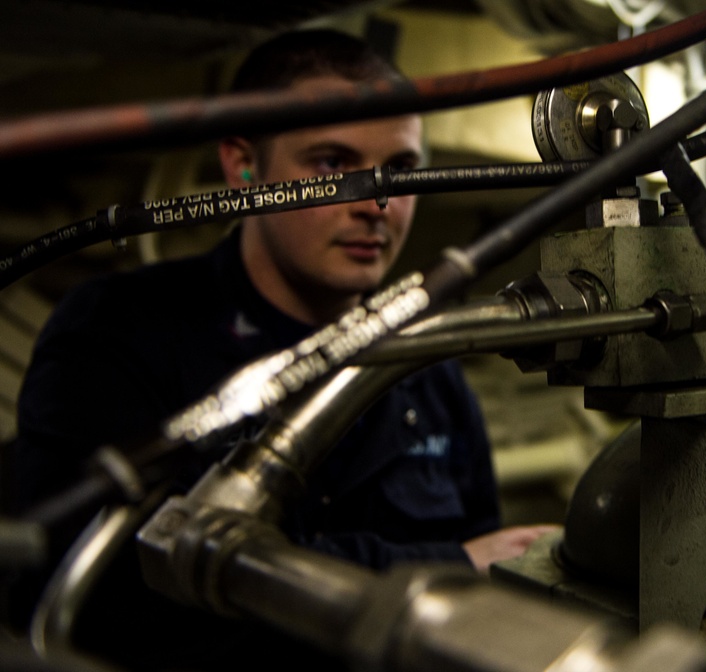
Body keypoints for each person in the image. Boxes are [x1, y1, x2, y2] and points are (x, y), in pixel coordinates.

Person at [9, 28, 554, 667]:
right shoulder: (120, 332)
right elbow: (94, 588)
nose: (376, 200)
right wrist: (448, 565)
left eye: (401, 169)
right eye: (331, 163)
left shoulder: (426, 367)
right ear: (244, 168)